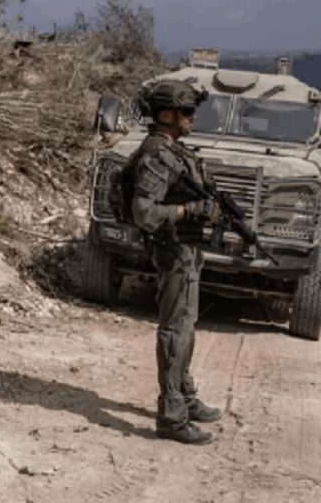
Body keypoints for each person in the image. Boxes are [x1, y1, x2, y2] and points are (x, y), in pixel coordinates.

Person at [126, 79, 223, 445]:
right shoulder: (156, 154)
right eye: (186, 111)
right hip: (172, 251)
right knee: (174, 331)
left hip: (185, 250)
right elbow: (144, 212)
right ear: (166, 115)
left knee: (186, 326)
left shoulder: (174, 151)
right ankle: (171, 416)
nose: (192, 117)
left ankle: (184, 395)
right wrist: (190, 210)